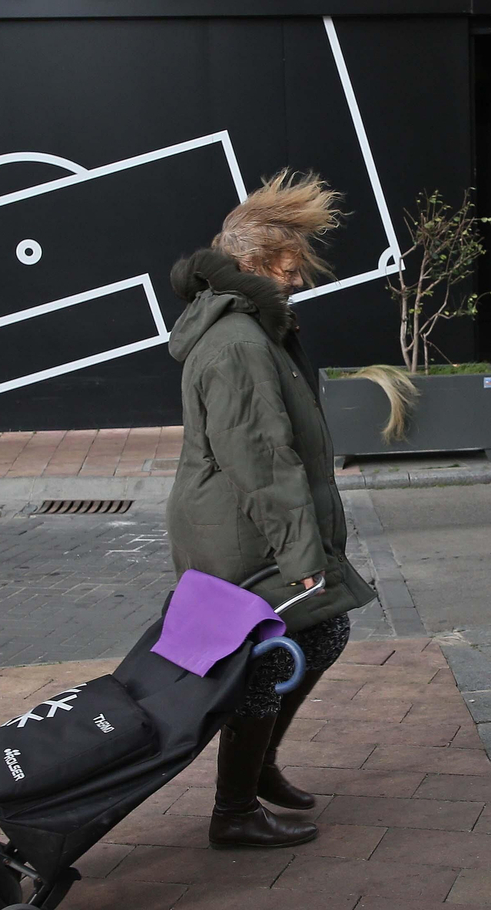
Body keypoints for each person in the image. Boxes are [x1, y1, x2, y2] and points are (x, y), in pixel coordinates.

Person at [165, 170, 377, 849]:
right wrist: (300, 555)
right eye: (289, 269)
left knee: (320, 635)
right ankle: (234, 810)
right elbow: (262, 457)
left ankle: (257, 771)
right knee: (270, 655)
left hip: (241, 526)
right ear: (251, 265)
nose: (298, 281)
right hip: (242, 534)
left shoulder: (250, 328)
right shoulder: (238, 343)